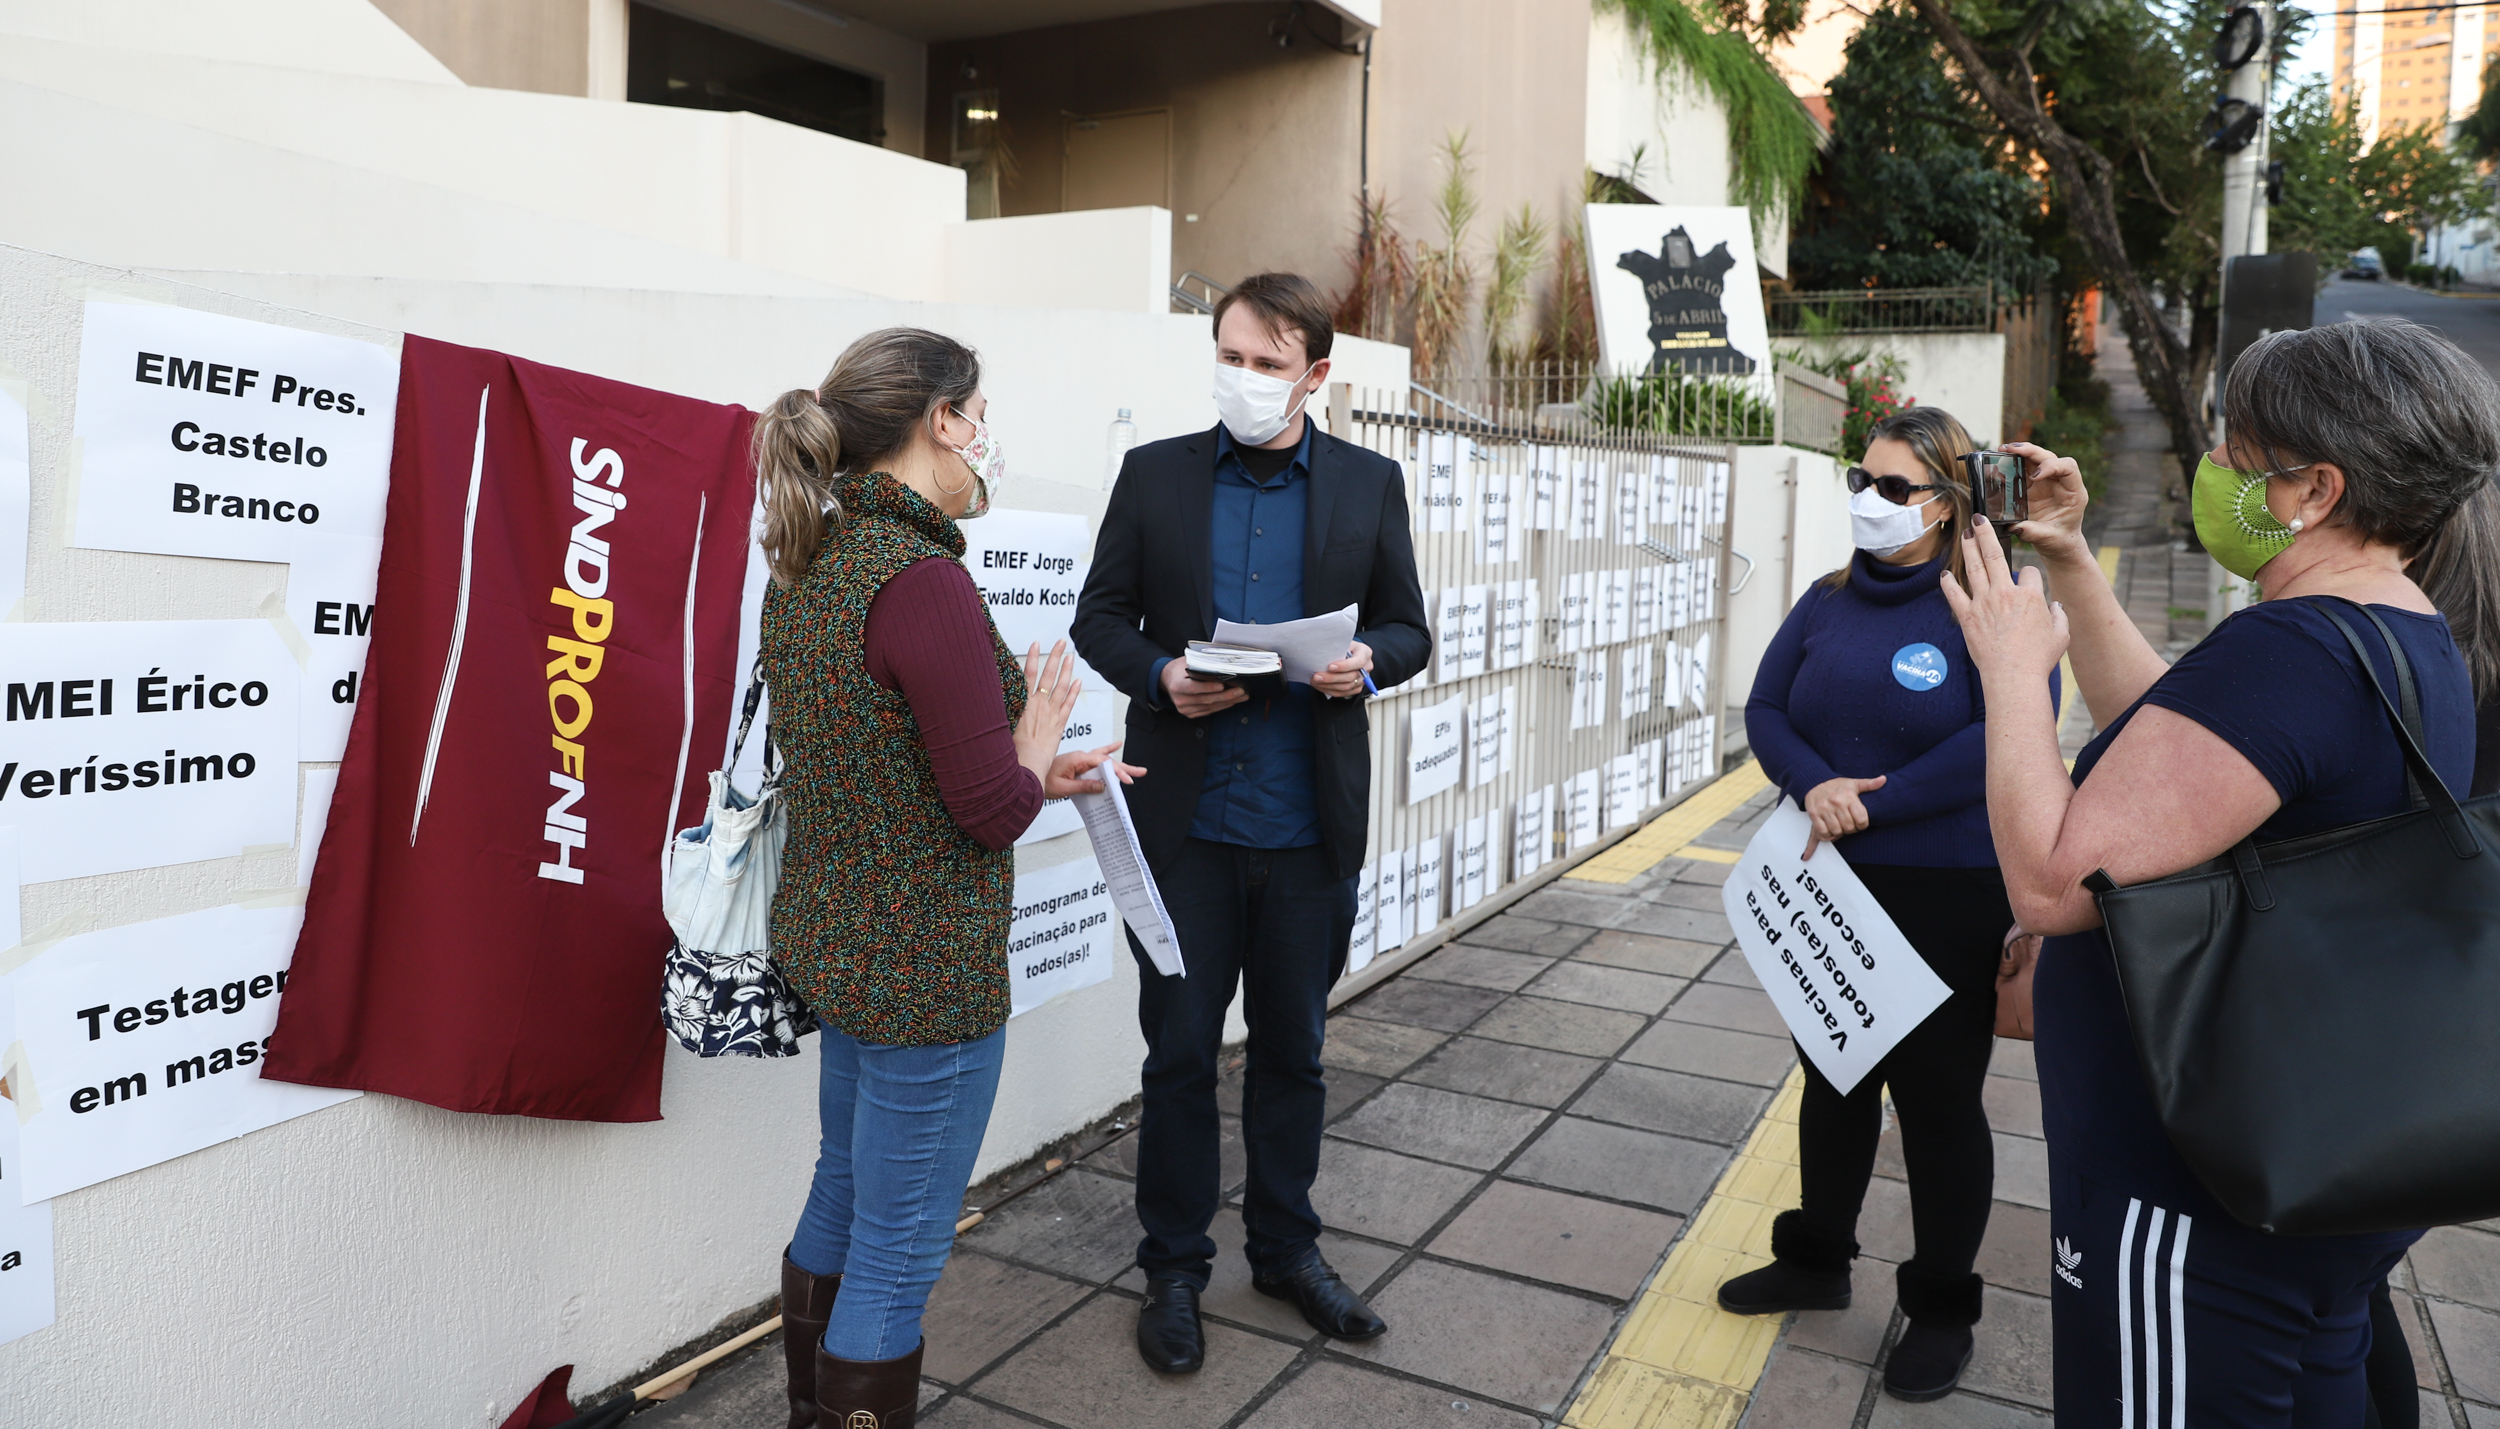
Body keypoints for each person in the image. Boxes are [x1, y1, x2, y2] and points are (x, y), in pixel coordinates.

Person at [1942, 317, 2500, 1428]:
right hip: (2307, 1166)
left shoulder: (2293, 650)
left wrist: (2012, 675)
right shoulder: (2393, 633)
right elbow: (2182, 750)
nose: (2213, 472)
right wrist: (2065, 555)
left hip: (2184, 1192)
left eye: (2235, 450)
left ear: (2313, 489)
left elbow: (2054, 886)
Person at [752, 326, 1140, 1429]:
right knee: (897, 1248)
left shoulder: (809, 563)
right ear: (940, 422)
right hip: (926, 972)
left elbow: (889, 765)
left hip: (843, 950)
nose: (985, 443)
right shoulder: (920, 580)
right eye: (978, 417)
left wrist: (1029, 763)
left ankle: (806, 1410)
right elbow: (988, 807)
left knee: (842, 1185)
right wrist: (1037, 729)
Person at [1071, 272, 1432, 1374]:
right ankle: (1172, 1268)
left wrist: (1369, 665)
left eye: (1268, 363)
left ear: (1316, 375)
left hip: (1308, 829)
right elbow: (1099, 615)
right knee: (1178, 1055)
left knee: (1296, 1052)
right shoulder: (1154, 475)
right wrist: (1162, 671)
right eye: (1230, 354)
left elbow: (1410, 628)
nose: (1244, 377)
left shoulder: (1371, 483)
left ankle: (1284, 1250)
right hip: (1184, 827)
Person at [1723, 406, 2056, 1401]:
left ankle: (1942, 1304)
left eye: (1894, 488)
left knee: (1938, 1104)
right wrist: (1815, 784)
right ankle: (1816, 1256)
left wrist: (1882, 801)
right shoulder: (1827, 599)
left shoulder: (1989, 602)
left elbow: (2018, 719)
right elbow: (1766, 707)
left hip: (1945, 887)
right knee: (1831, 1079)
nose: (1869, 502)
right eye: (1859, 481)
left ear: (1951, 503)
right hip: (1826, 881)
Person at [2360, 478, 2500, 1429]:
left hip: (2387, 1045)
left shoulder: (2412, 674)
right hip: (2438, 1046)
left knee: (2341, 1298)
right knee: (2349, 1293)